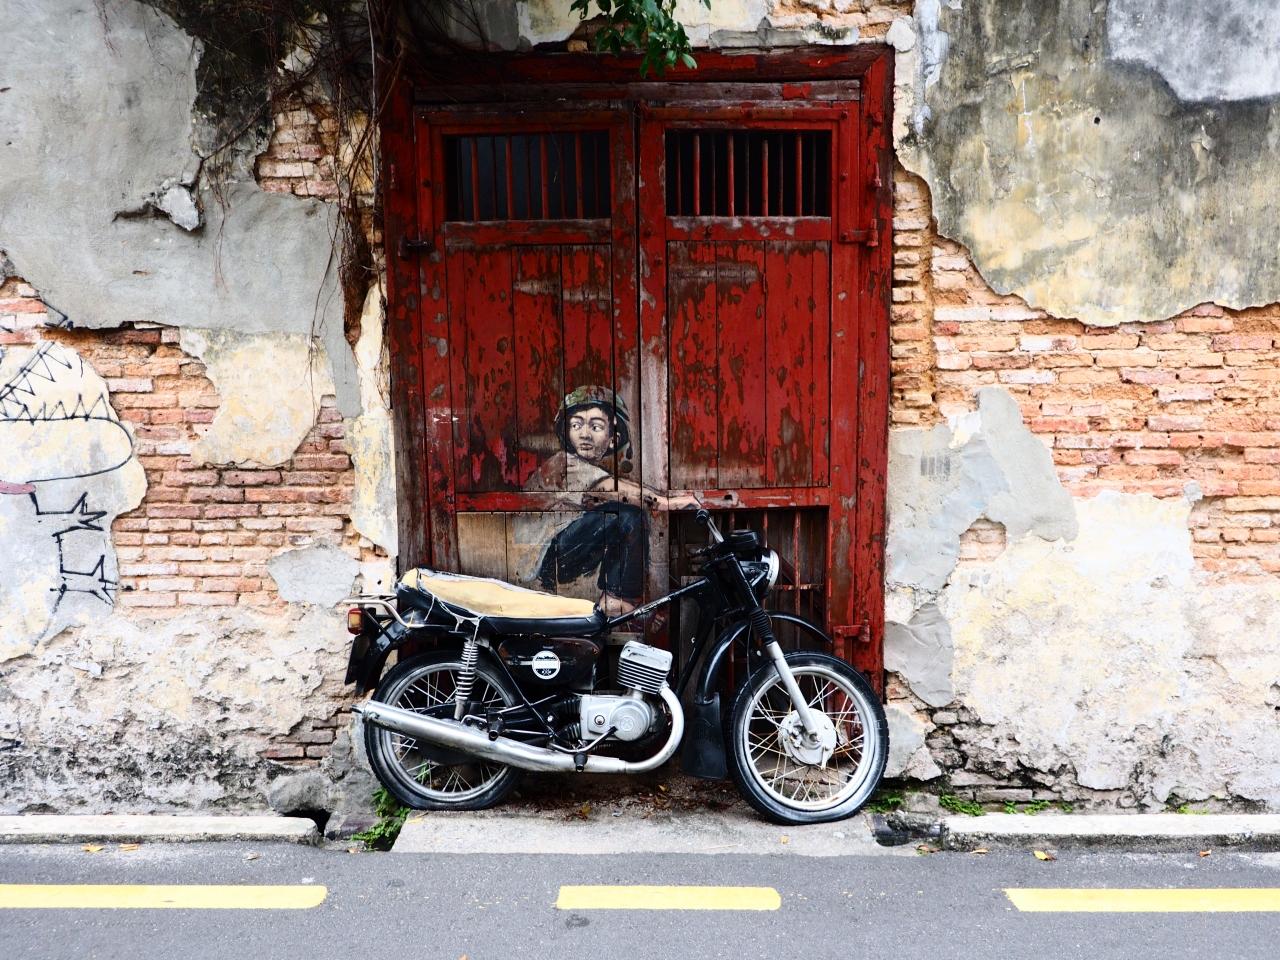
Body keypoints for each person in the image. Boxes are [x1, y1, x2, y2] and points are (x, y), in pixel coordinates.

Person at [524, 385, 646, 616]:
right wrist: (672, 501)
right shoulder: (563, 463)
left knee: (616, 518)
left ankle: (614, 597)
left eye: (596, 427)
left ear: (613, 439)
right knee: (626, 516)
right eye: (576, 425)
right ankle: (618, 599)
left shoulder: (586, 469)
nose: (585, 434)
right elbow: (618, 490)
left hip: (556, 556)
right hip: (542, 560)